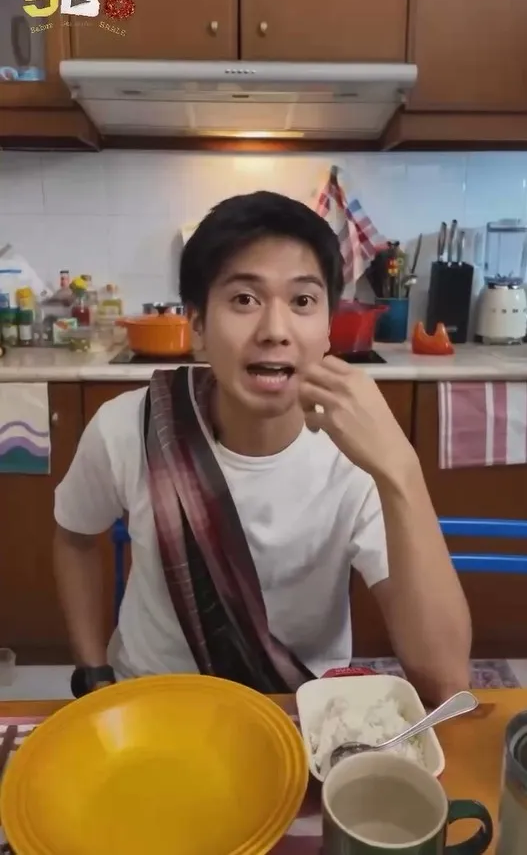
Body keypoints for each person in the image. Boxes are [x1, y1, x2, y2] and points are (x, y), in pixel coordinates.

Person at [53, 191, 471, 703]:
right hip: (154, 704)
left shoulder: (360, 450)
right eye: (244, 300)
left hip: (301, 709)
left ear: (327, 329)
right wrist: (92, 672)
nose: (275, 331)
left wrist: (400, 469)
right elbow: (74, 539)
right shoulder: (128, 427)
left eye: (302, 301)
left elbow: (445, 680)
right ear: (198, 327)